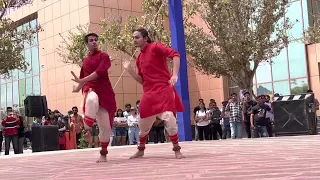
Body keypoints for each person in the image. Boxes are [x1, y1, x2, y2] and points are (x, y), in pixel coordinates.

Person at [123, 28, 185, 159]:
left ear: (145, 38)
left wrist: (174, 74)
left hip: (163, 88)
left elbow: (175, 54)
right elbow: (142, 80)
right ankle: (140, 150)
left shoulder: (155, 47)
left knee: (169, 117)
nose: (134, 40)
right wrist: (130, 71)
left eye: (137, 37)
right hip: (149, 92)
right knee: (143, 123)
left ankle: (176, 150)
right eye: (133, 37)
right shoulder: (139, 58)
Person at [71, 32, 117, 163]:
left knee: (105, 128)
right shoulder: (85, 61)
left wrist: (82, 80)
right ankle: (87, 127)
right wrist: (76, 89)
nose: (94, 42)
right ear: (87, 44)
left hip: (106, 93)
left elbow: (99, 73)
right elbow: (82, 81)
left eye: (96, 40)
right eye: (91, 40)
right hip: (91, 91)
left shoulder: (104, 56)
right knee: (91, 98)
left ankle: (103, 154)